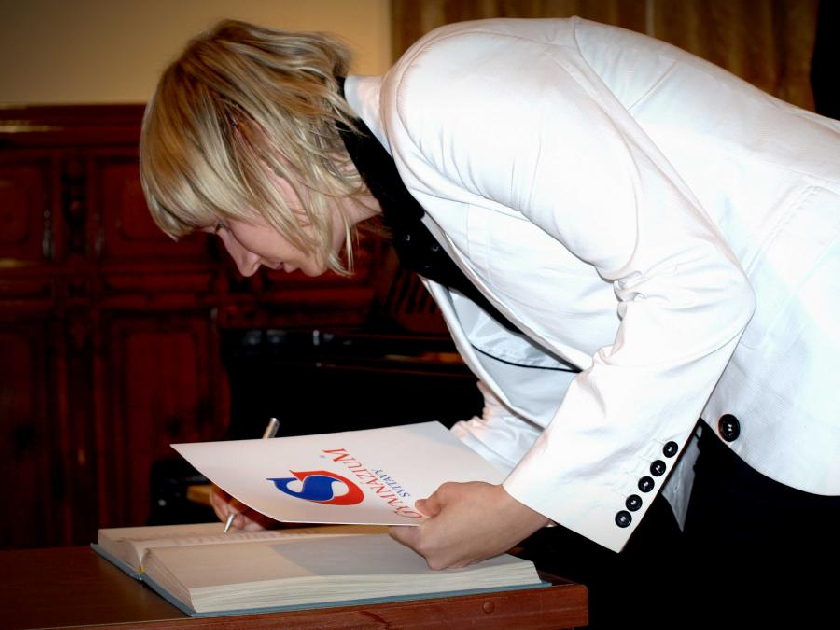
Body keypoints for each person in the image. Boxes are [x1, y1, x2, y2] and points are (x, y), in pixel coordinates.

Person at [140, 17, 839, 626]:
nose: (241, 264)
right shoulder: (419, 206)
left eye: (222, 225)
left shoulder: (442, 91)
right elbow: (534, 411)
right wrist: (297, 492)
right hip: (778, 387)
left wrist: (526, 507)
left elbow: (693, 285)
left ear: (255, 146)